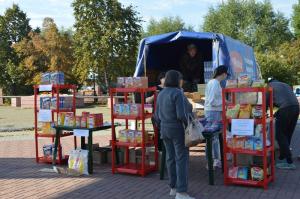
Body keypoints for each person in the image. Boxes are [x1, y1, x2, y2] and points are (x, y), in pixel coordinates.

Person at [154, 70, 194, 199]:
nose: (181, 81)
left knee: (170, 158)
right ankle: (181, 192)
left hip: (164, 129)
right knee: (181, 159)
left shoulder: (161, 93)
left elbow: (157, 115)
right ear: (177, 80)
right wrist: (188, 124)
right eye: (180, 79)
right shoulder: (178, 93)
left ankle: (173, 188)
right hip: (177, 129)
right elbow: (181, 115)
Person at [267, 79, 299, 170]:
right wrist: (276, 113)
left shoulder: (269, 86)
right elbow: (285, 100)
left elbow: (266, 101)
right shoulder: (285, 84)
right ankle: (282, 156)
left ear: (270, 82)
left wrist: (263, 112)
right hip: (296, 107)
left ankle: (289, 160)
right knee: (288, 133)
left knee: (280, 135)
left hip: (285, 108)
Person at [204, 65, 229, 169]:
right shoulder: (215, 83)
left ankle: (213, 160)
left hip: (213, 111)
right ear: (223, 74)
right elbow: (213, 101)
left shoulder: (213, 82)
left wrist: (226, 102)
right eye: (226, 74)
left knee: (212, 137)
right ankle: (213, 161)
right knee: (213, 137)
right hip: (214, 112)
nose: (226, 76)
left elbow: (216, 98)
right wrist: (224, 103)